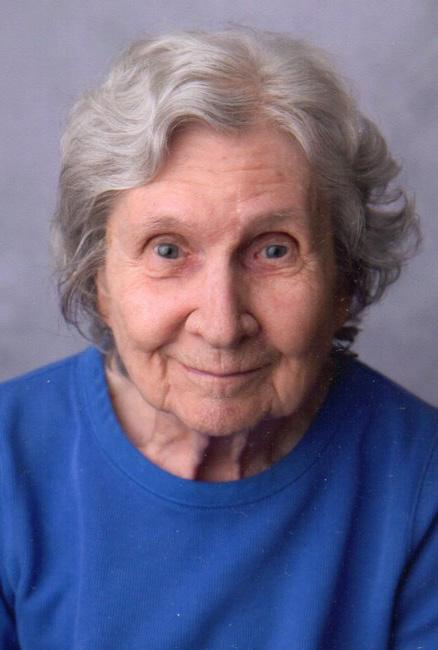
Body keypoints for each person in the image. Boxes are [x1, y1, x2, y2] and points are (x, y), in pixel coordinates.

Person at [0, 28, 436, 649]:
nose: (222, 324)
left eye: (274, 250)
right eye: (167, 250)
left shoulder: (423, 481)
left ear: (345, 280)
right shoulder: (8, 460)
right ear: (99, 280)